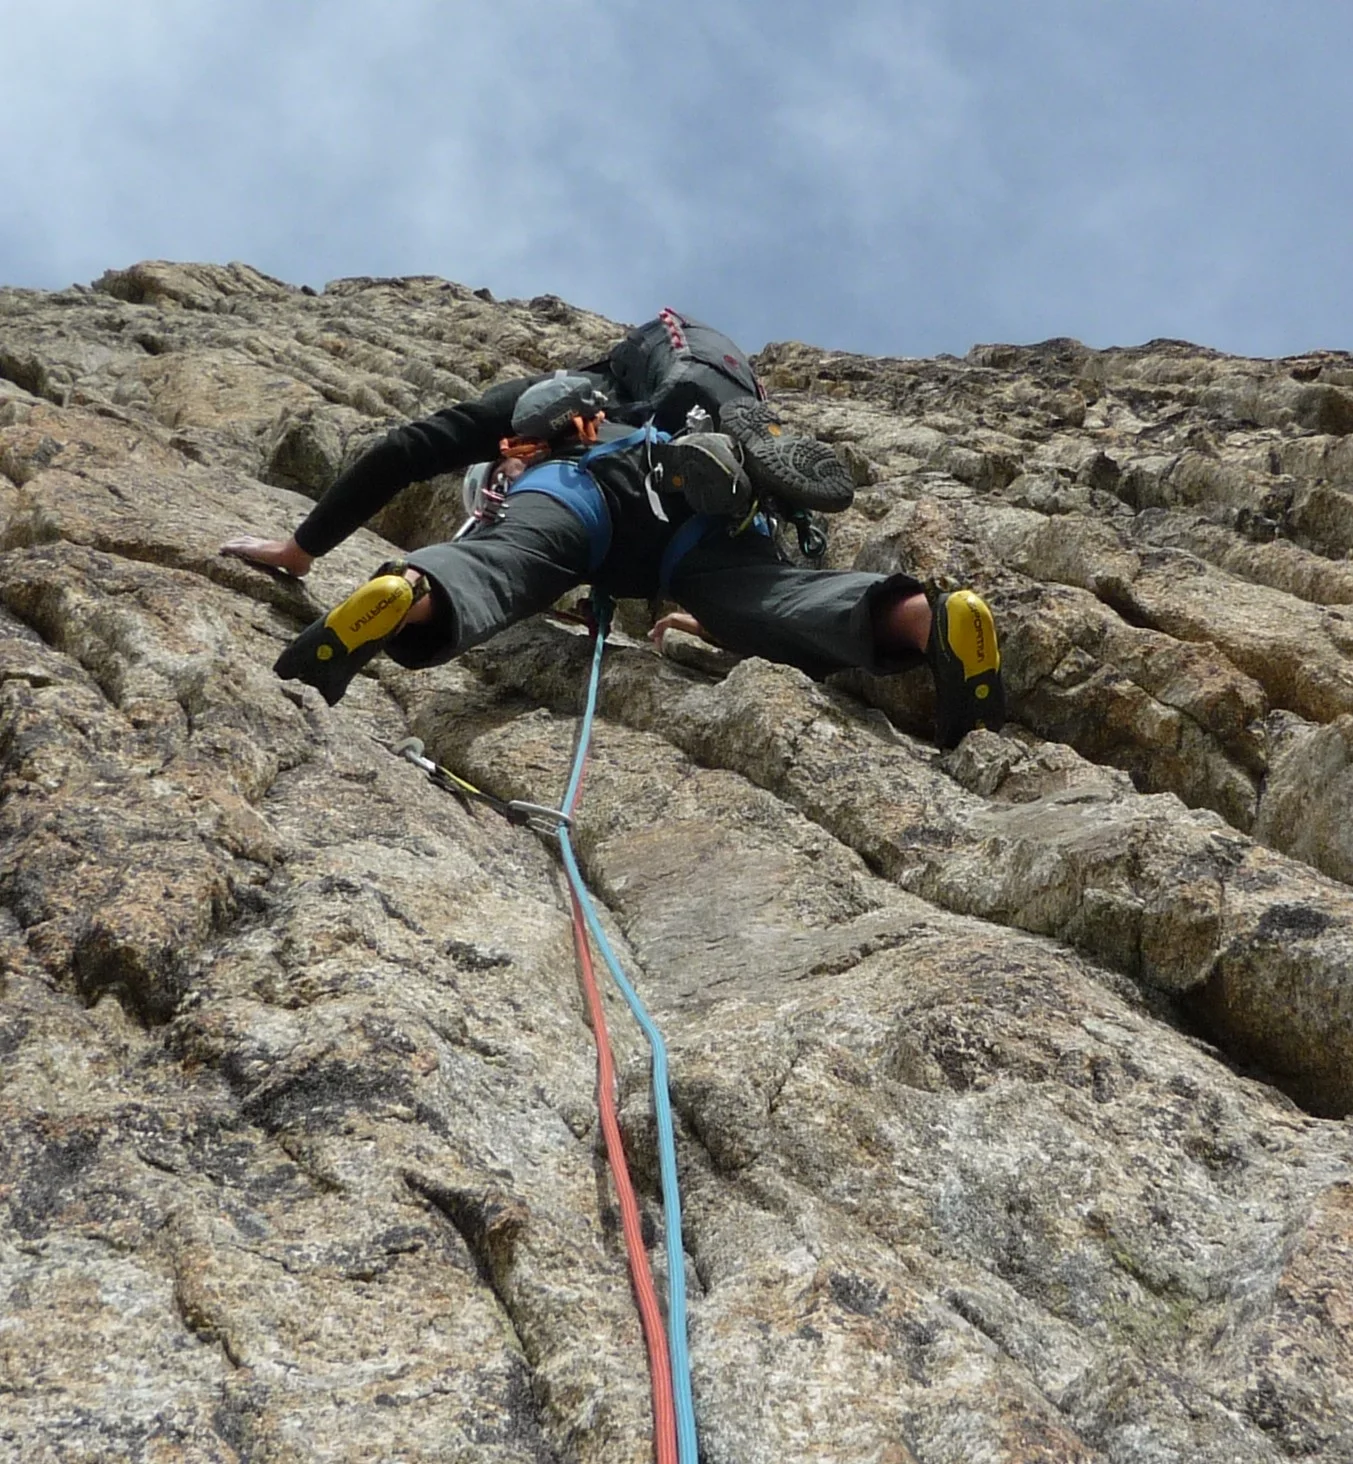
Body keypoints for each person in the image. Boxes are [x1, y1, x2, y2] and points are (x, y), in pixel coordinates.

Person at [221, 315, 1004, 749]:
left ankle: (408, 593)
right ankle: (924, 617)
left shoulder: (546, 411)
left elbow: (404, 448)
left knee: (500, 563)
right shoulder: (628, 386)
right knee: (767, 597)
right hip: (699, 529)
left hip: (581, 491)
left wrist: (301, 550)